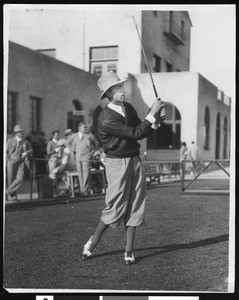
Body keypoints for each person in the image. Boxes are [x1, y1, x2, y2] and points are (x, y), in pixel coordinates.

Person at [81, 71, 165, 264]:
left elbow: (143, 131)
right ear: (109, 92)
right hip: (117, 163)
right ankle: (93, 242)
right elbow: (135, 132)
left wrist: (157, 119)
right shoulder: (106, 118)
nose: (123, 89)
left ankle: (129, 250)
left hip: (134, 160)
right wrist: (152, 113)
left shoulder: (127, 108)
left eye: (122, 86)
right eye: (119, 87)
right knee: (116, 205)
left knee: (136, 203)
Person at [65, 122, 99, 196]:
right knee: (80, 174)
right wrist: (72, 148)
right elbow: (66, 143)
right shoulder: (74, 136)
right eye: (84, 127)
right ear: (79, 128)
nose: (86, 128)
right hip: (78, 157)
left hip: (86, 156)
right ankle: (82, 190)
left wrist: (92, 152)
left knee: (86, 174)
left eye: (86, 127)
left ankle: (84, 191)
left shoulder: (89, 135)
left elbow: (96, 143)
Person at [5, 125, 33, 201]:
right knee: (11, 179)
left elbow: (31, 150)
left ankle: (6, 192)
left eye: (21, 131)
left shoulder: (25, 141)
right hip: (11, 162)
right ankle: (10, 196)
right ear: (15, 133)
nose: (20, 133)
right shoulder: (10, 140)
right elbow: (6, 151)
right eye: (18, 132)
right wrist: (8, 160)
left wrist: (26, 153)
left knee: (20, 178)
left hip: (21, 162)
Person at [47, 130, 61, 195]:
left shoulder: (59, 142)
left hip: (59, 159)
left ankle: (56, 191)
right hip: (53, 160)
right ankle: (52, 191)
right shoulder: (50, 143)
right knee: (53, 176)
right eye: (56, 135)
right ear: (53, 135)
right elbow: (48, 152)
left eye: (58, 135)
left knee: (58, 176)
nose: (58, 136)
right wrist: (55, 150)